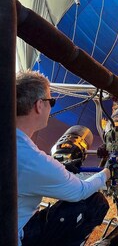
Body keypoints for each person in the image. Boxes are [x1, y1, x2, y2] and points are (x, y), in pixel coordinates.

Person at [16, 70, 111, 246]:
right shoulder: (31, 159)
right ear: (39, 105)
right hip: (17, 236)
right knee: (93, 203)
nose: (51, 106)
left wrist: (62, 169)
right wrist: (107, 172)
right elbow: (80, 191)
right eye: (51, 101)